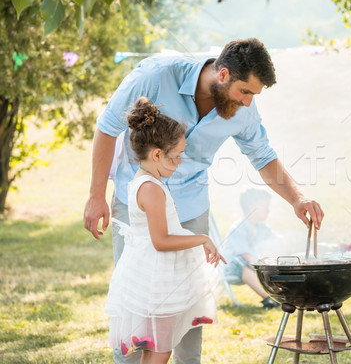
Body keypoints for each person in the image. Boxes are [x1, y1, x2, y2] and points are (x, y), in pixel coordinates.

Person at [83, 38, 324, 363]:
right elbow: (107, 128)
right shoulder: (155, 75)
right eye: (245, 92)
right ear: (222, 75)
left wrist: (298, 199)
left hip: (190, 209)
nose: (249, 102)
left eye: (254, 94)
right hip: (136, 206)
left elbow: (263, 156)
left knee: (187, 305)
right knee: (135, 302)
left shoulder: (242, 110)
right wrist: (96, 195)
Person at [105, 97, 226, 364]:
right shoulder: (151, 189)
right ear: (157, 153)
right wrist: (203, 238)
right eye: (177, 155)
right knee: (159, 351)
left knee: (158, 348)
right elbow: (160, 240)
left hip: (151, 274)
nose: (180, 162)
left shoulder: (144, 181)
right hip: (157, 281)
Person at [221, 188, 281, 309]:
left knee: (271, 260)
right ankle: (267, 297)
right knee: (240, 261)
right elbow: (245, 255)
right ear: (253, 207)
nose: (268, 210)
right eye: (265, 206)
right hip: (231, 268)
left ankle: (278, 294)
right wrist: (259, 264)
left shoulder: (262, 227)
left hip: (252, 266)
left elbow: (278, 240)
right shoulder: (240, 227)